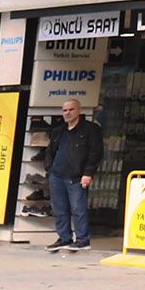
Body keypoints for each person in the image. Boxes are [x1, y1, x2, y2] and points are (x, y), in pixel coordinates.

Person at [47, 97, 104, 253]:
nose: (67, 113)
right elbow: (50, 152)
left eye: (71, 109)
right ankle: (64, 238)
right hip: (57, 175)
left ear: (79, 111)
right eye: (65, 110)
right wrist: (50, 170)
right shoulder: (59, 131)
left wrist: (88, 173)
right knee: (59, 209)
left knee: (78, 209)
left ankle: (82, 240)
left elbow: (96, 153)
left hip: (77, 176)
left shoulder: (91, 129)